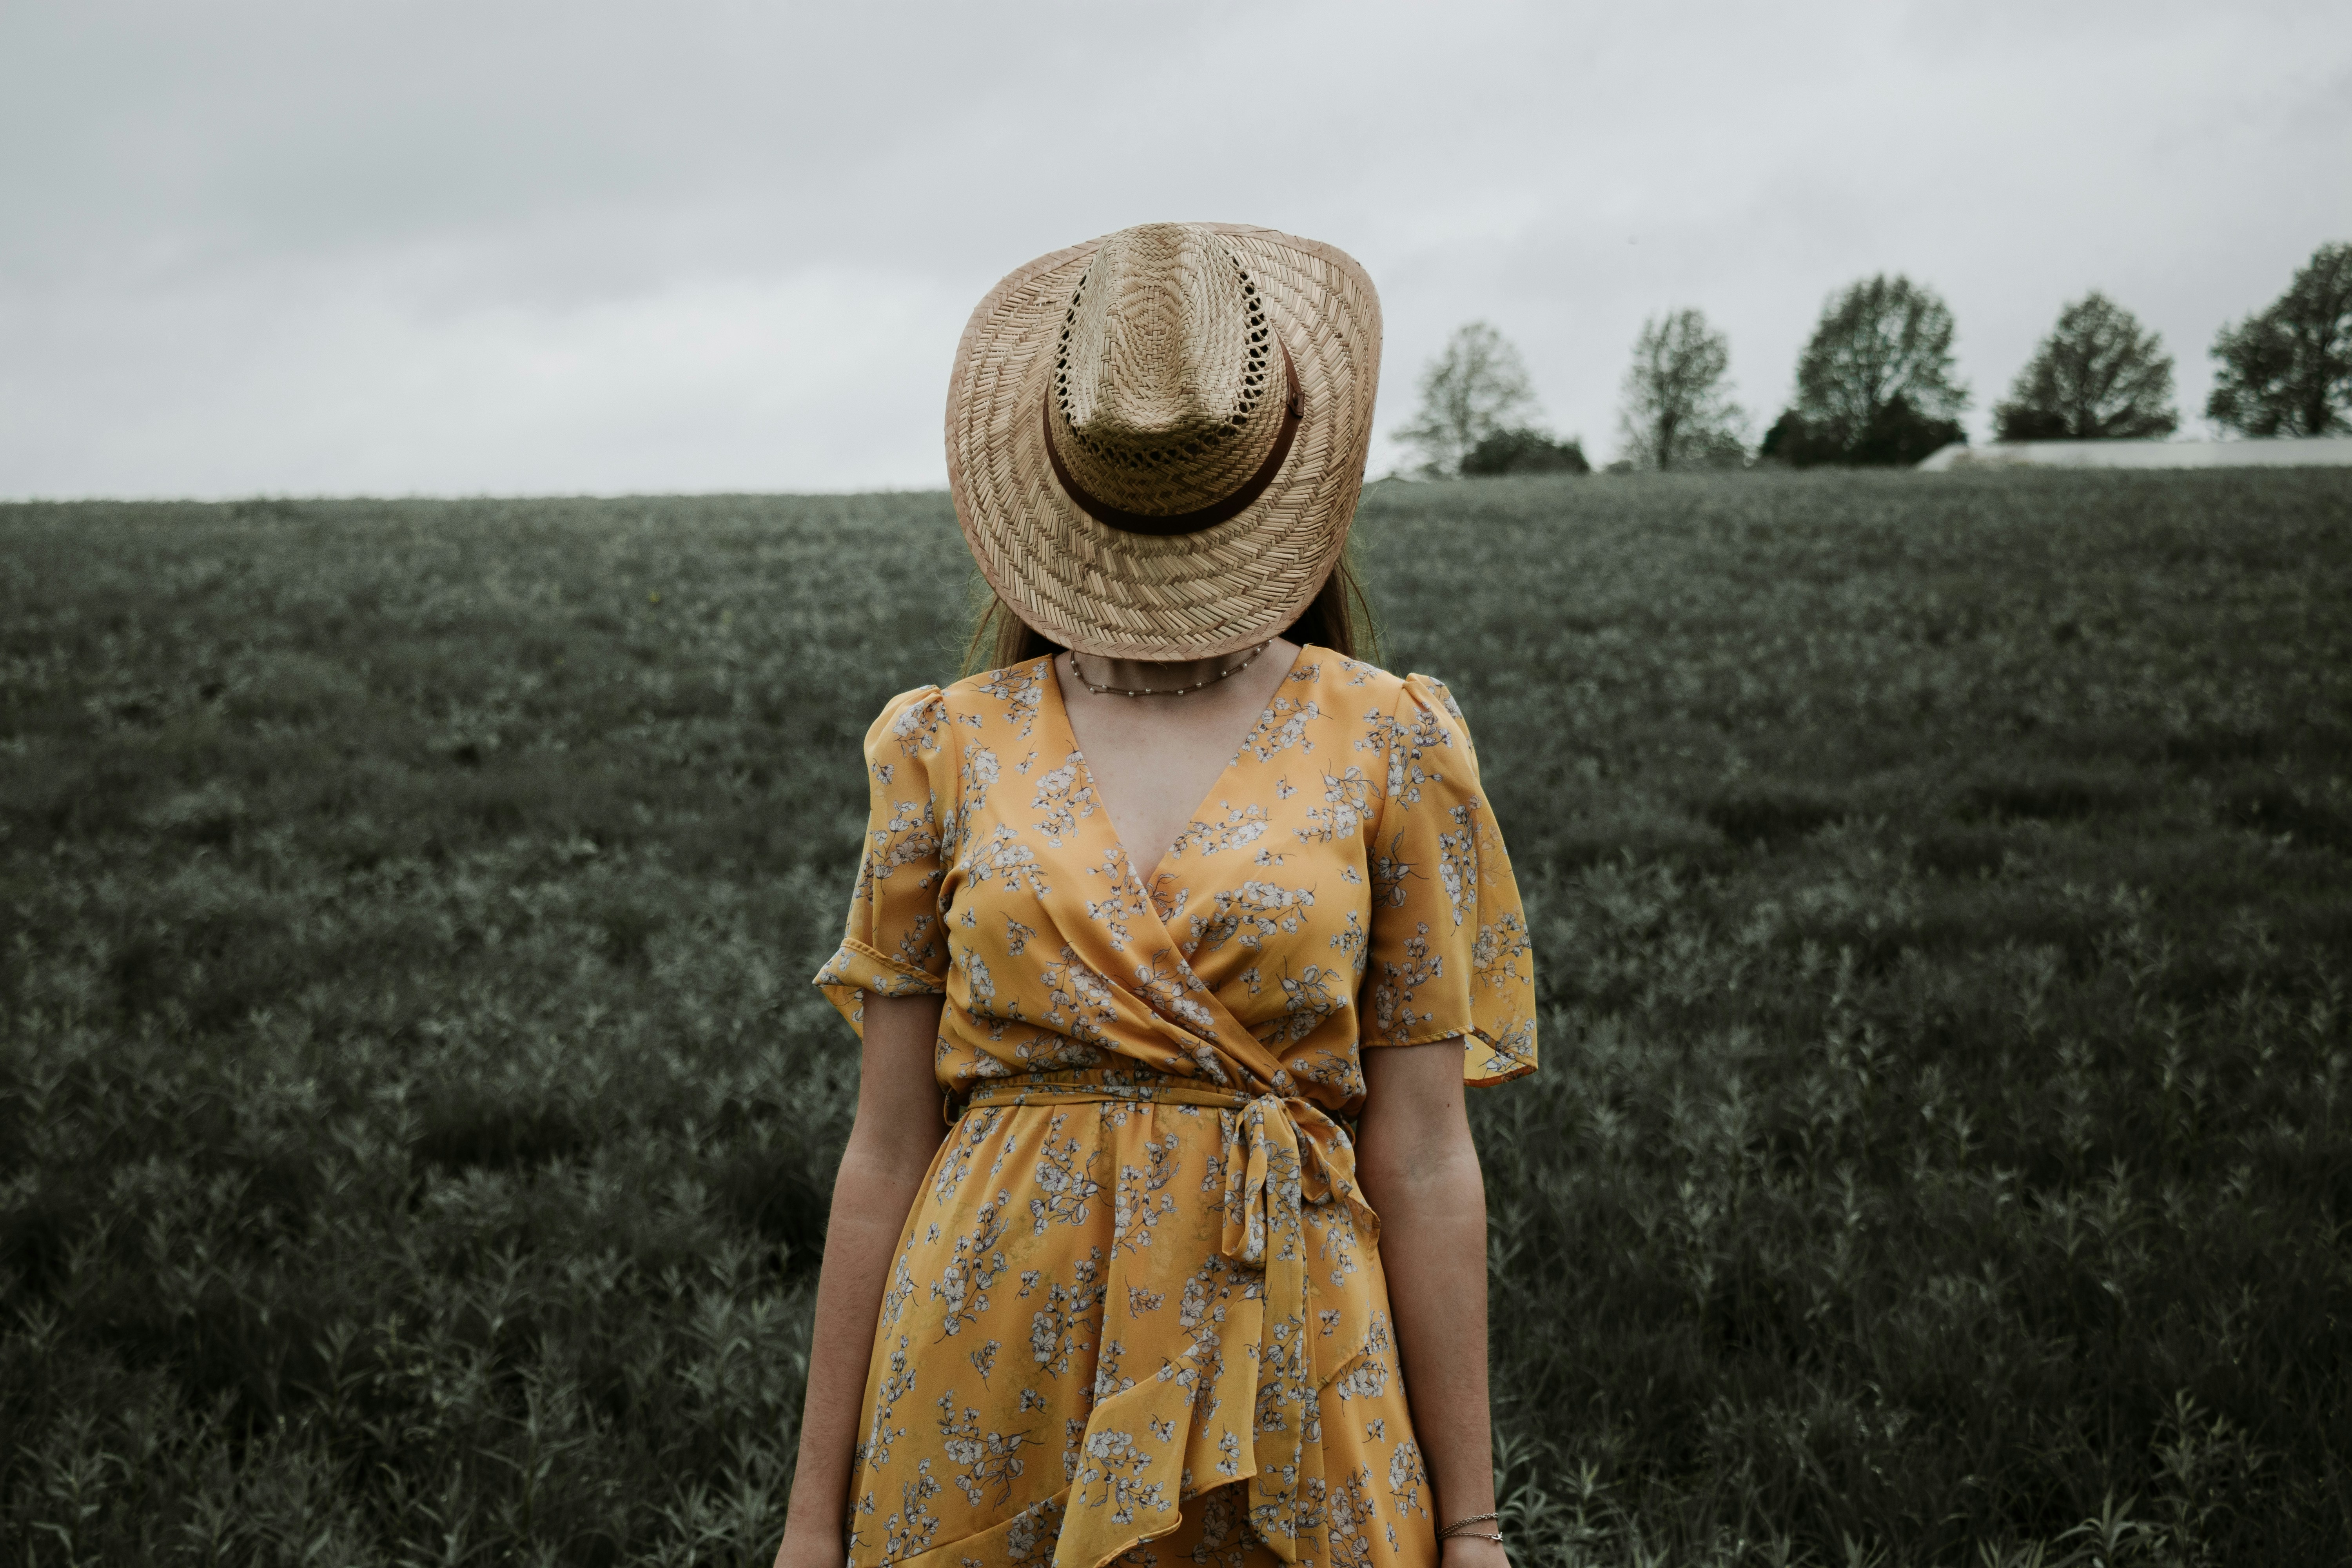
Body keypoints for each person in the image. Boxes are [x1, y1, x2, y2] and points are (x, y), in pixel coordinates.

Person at [771, 223, 1537, 1568]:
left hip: (1293, 1368)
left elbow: (1422, 1155)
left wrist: (1471, 1526)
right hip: (983, 1378)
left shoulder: (1393, 741)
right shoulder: (940, 748)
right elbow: (886, 1148)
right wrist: (809, 1523)